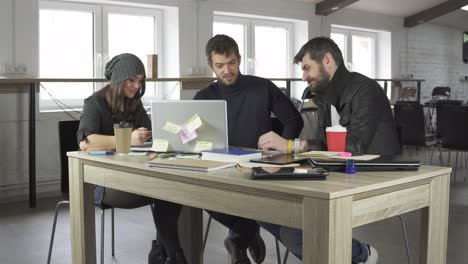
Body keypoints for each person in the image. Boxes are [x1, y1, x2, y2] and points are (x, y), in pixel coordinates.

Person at [258, 37, 401, 264]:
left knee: (292, 230)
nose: (303, 76)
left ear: (327, 60)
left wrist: (294, 145)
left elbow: (352, 147)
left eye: (307, 68)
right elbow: (328, 148)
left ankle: (360, 255)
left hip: (372, 177)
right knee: (263, 206)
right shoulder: (325, 97)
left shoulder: (365, 90)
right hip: (338, 173)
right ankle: (352, 254)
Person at [194, 34, 304, 264]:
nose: (227, 70)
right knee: (200, 192)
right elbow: (188, 136)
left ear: (239, 59)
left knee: (258, 198)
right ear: (211, 66)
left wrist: (283, 147)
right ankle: (245, 234)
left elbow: (294, 120)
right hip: (221, 169)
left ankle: (237, 238)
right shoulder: (204, 97)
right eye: (220, 65)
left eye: (232, 63)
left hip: (262, 168)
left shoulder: (262, 87)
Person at [77, 53, 187, 264]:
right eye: (132, 80)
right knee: (166, 192)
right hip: (102, 184)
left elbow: (151, 132)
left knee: (174, 191)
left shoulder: (134, 103)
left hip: (135, 176)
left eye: (140, 80)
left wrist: (176, 131)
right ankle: (169, 256)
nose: (137, 86)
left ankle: (167, 255)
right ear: (119, 79)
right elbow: (86, 143)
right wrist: (128, 138)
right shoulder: (95, 103)